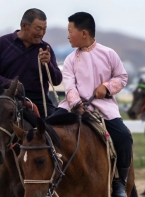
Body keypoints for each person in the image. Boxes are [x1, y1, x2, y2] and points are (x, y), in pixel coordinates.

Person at [0, 8, 62, 197]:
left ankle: (57, 183)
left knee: (56, 132)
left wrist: (48, 63)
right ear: (24, 25)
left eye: (44, 29)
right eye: (38, 28)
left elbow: (56, 80)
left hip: (38, 100)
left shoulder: (45, 48)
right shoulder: (2, 43)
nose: (41, 33)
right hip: (8, 99)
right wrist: (9, 84)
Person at [50, 12, 132, 197]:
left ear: (84, 33)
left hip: (104, 108)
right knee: (45, 129)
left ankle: (120, 182)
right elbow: (69, 85)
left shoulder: (109, 54)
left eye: (70, 31)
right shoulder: (70, 59)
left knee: (124, 137)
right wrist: (76, 102)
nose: (68, 35)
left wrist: (106, 86)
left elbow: (122, 77)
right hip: (71, 107)